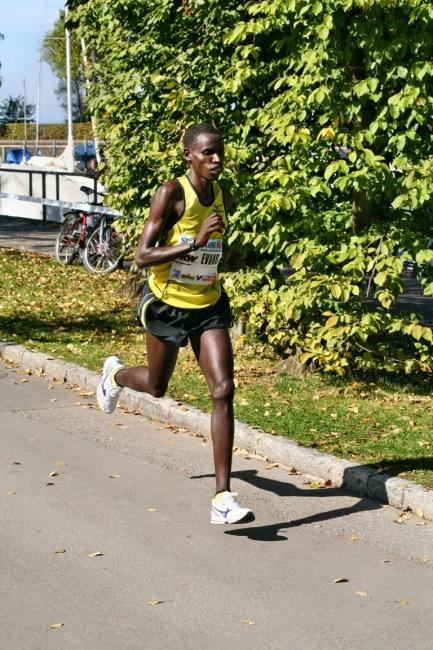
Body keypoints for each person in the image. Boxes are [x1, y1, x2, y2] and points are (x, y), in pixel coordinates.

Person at [97, 123, 254, 525]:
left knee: (223, 389)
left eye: (220, 152)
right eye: (207, 153)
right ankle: (114, 376)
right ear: (189, 155)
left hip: (208, 305)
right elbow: (142, 256)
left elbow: (216, 247)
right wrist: (194, 243)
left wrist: (225, 255)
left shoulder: (223, 195)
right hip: (166, 305)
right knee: (156, 386)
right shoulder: (171, 193)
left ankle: (222, 496)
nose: (217, 159)